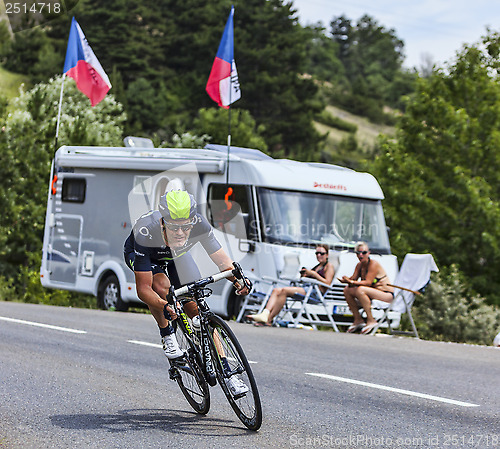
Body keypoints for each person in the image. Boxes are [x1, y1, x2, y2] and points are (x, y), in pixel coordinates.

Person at [123, 190, 250, 395]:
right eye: (174, 227)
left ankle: (229, 374)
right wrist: (165, 306)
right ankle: (168, 338)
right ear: (163, 222)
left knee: (196, 306)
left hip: (176, 255)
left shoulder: (200, 224)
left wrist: (238, 279)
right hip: (147, 256)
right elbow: (143, 289)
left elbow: (223, 262)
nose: (180, 232)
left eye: (186, 226)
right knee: (161, 286)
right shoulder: (146, 231)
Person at [247, 244, 335, 326]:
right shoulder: (318, 266)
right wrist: (305, 274)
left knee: (284, 291)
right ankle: (265, 313)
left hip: (315, 292)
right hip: (307, 288)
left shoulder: (329, 266)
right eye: (317, 253)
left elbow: (328, 283)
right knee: (276, 290)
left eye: (322, 253)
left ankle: (268, 320)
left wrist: (313, 274)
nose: (319, 255)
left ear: (327, 255)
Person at [339, 241, 394, 334]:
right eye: (358, 253)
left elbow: (368, 283)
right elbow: (353, 279)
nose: (361, 255)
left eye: (364, 253)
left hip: (386, 294)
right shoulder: (359, 265)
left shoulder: (373, 264)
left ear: (368, 253)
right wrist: (346, 280)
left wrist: (351, 282)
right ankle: (358, 319)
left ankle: (371, 320)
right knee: (347, 290)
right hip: (372, 293)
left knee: (360, 290)